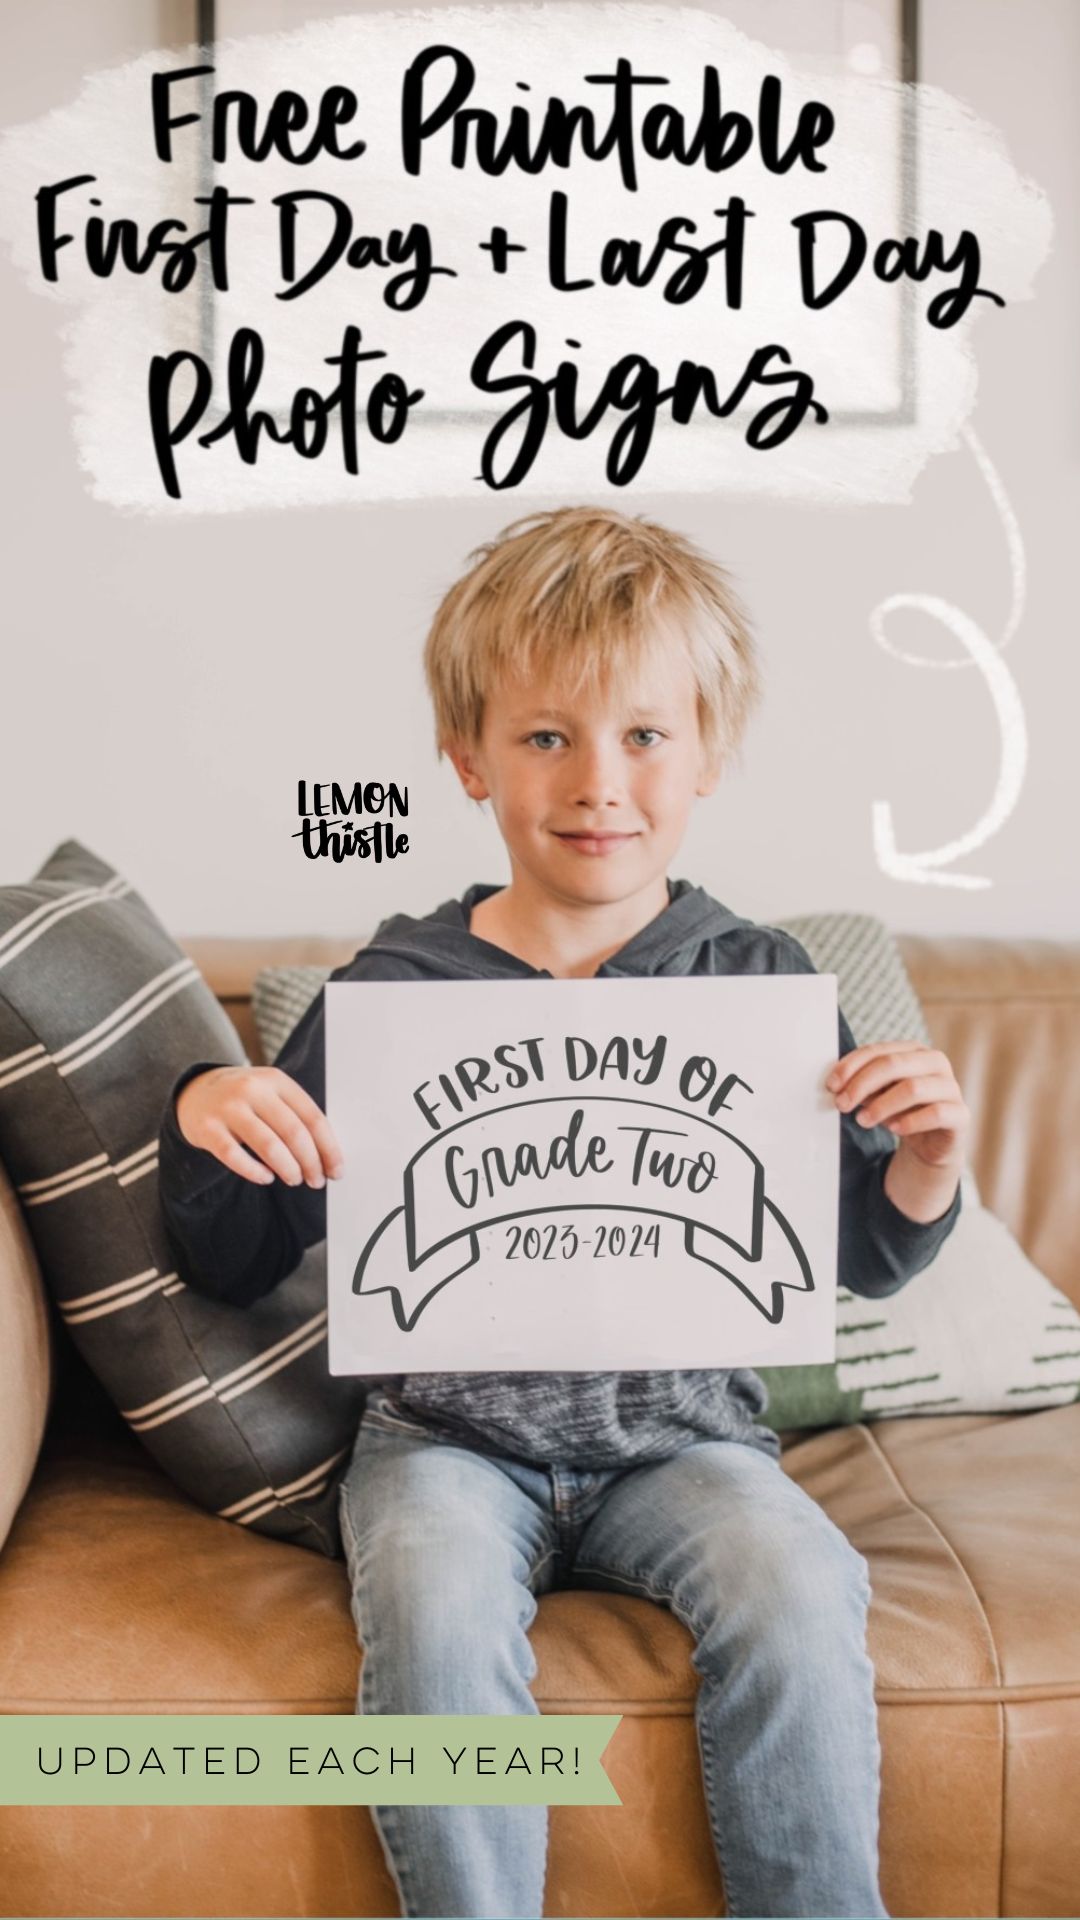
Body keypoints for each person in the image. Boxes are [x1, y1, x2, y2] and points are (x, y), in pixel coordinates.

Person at [158, 507, 969, 1919]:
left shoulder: (755, 977)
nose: (600, 781)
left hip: (686, 1442)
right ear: (469, 759)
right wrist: (205, 1119)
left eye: (646, 736)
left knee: (799, 1587)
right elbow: (233, 1258)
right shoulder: (390, 995)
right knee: (427, 1611)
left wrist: (926, 1161)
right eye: (547, 737)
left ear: (710, 753)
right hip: (448, 1443)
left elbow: (860, 1252)